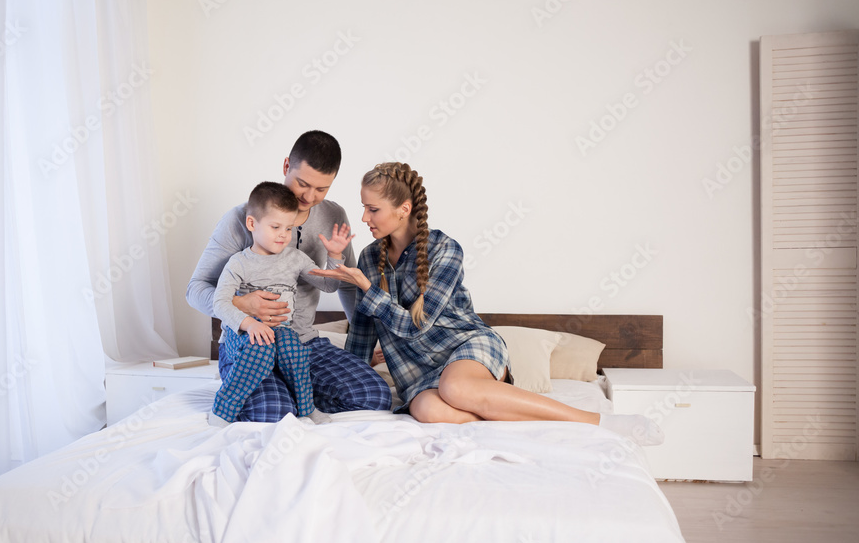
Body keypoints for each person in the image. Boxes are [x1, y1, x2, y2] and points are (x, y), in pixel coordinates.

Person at [310, 162, 664, 446]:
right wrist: (351, 377)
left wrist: (365, 287)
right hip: (416, 372)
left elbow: (416, 326)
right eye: (363, 208)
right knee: (430, 410)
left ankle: (598, 422)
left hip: (465, 349)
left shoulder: (445, 250)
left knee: (456, 388)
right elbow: (362, 330)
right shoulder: (370, 259)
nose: (364, 218)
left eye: (373, 209)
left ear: (404, 209)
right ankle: (521, 421)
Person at [187, 130, 391, 422]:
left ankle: (297, 389)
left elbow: (344, 285)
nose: (309, 197)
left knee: (375, 396)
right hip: (251, 344)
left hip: (303, 343)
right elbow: (195, 289)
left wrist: (362, 345)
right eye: (302, 183)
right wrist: (243, 305)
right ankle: (274, 392)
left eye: (322, 189)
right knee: (277, 413)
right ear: (286, 166)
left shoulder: (334, 216)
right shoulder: (243, 219)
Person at [210, 182, 349, 425]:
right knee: (261, 348)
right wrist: (249, 324)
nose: (284, 235)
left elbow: (328, 286)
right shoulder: (239, 263)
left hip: (281, 331)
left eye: (289, 228)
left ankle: (307, 408)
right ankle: (223, 409)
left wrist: (335, 256)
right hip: (244, 334)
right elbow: (220, 302)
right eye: (275, 227)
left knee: (293, 348)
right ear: (252, 224)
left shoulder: (295, 258)